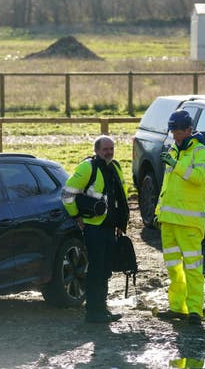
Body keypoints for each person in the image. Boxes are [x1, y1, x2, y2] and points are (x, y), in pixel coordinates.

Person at [62, 135, 129, 323]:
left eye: (111, 149)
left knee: (106, 269)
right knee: (96, 269)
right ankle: (93, 312)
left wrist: (120, 224)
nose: (109, 152)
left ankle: (102, 308)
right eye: (105, 149)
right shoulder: (87, 167)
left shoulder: (115, 167)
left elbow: (120, 197)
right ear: (97, 150)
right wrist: (77, 217)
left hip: (109, 227)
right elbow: (67, 194)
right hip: (94, 228)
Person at [155, 110, 205, 325]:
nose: (175, 135)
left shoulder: (201, 153)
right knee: (173, 267)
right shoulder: (174, 150)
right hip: (168, 220)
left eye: (178, 131)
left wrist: (175, 165)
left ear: (189, 130)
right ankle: (177, 307)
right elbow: (167, 187)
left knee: (193, 268)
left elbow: (198, 178)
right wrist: (158, 212)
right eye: (173, 131)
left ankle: (195, 310)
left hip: (189, 223)